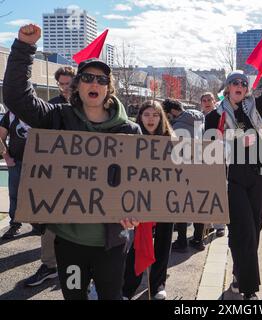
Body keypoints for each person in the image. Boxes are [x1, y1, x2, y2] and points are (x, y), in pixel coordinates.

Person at [3, 24, 141, 300]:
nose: (95, 83)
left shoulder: (129, 131)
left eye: (102, 79)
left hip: (111, 244)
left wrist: (135, 209)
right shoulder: (57, 118)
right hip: (69, 244)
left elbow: (140, 183)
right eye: (88, 77)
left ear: (108, 88)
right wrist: (24, 48)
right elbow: (16, 97)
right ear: (78, 86)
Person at [205, 40, 262, 300]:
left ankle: (240, 272)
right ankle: (249, 287)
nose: (239, 87)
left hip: (258, 175)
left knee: (255, 227)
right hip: (233, 177)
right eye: (234, 83)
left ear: (246, 90)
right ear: (227, 88)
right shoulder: (214, 116)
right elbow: (208, 150)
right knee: (243, 228)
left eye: (242, 84)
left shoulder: (254, 109)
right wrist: (232, 141)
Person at [24, 66, 76, 287]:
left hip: (86, 178)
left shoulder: (92, 107)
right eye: (61, 84)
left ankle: (85, 270)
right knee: (51, 224)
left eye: (69, 84)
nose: (65, 89)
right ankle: (49, 265)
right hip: (55, 176)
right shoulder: (52, 106)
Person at [122, 101, 175, 300]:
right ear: (140, 117)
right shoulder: (129, 140)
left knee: (163, 242)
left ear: (162, 118)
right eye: (146, 114)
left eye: (155, 115)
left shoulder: (172, 141)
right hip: (138, 200)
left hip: (166, 201)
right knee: (136, 244)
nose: (151, 119)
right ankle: (129, 287)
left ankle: (158, 284)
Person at [162, 98, 207, 252]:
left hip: (183, 169)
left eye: (166, 114)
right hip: (201, 166)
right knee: (199, 204)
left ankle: (182, 242)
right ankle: (198, 239)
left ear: (171, 112)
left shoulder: (177, 126)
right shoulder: (200, 118)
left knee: (181, 204)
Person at [0, 111, 30, 240]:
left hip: (37, 164)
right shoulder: (10, 115)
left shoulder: (38, 111)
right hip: (16, 162)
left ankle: (38, 225)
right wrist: (6, 158)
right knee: (15, 195)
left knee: (39, 194)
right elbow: (0, 137)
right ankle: (15, 224)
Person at [199, 92, 225, 238]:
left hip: (218, 158)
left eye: (210, 99)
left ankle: (220, 225)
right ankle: (206, 225)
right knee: (204, 193)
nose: (207, 102)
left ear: (215, 101)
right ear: (201, 103)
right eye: (204, 100)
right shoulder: (197, 117)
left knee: (219, 192)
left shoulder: (221, 116)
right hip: (201, 159)